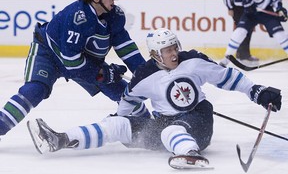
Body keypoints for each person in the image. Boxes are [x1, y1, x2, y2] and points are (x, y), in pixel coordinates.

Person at [27, 28, 282, 169]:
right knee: (117, 123)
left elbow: (229, 77)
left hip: (198, 121)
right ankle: (60, 139)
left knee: (169, 130)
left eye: (174, 47)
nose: (173, 53)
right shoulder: (144, 76)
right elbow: (128, 101)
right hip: (162, 125)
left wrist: (257, 92)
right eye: (166, 50)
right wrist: (125, 119)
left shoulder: (193, 61)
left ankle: (190, 154)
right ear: (154, 54)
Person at [0, 0, 148, 137]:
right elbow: (71, 62)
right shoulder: (77, 16)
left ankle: (150, 127)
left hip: (83, 60)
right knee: (34, 90)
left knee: (124, 93)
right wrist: (102, 73)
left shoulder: (115, 15)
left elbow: (126, 47)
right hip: (49, 53)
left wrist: (146, 72)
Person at [220, 0, 288, 67]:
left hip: (266, 13)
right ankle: (226, 58)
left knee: (280, 34)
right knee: (239, 32)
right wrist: (246, 3)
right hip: (250, 13)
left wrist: (280, 9)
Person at [223, 0, 259, 65]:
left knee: (248, 29)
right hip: (238, 7)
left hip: (248, 6)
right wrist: (229, 6)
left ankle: (244, 54)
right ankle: (242, 55)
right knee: (242, 30)